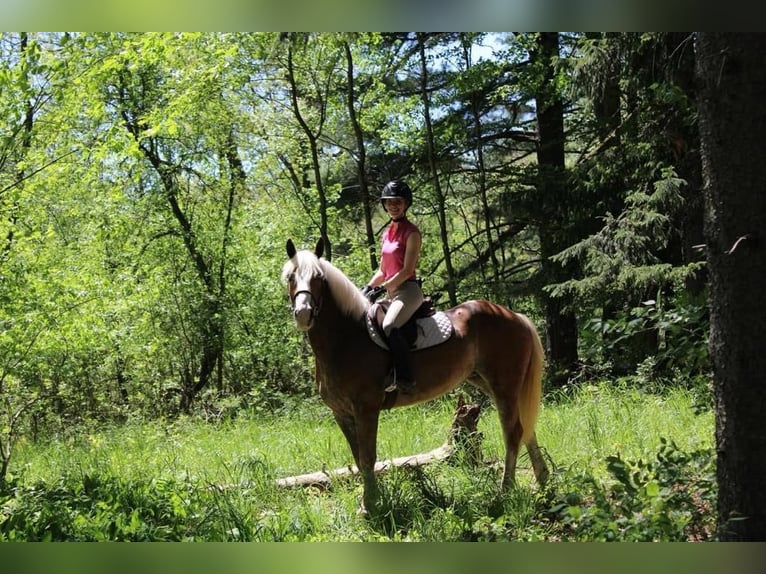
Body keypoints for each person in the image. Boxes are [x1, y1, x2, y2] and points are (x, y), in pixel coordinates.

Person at [361, 179, 424, 394]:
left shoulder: (412, 232)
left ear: (406, 203)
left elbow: (407, 270)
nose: (393, 206)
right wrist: (368, 287)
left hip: (408, 290)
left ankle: (405, 378)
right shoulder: (387, 233)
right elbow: (382, 269)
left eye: (397, 202)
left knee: (389, 325)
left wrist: (384, 287)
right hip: (391, 291)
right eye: (389, 202)